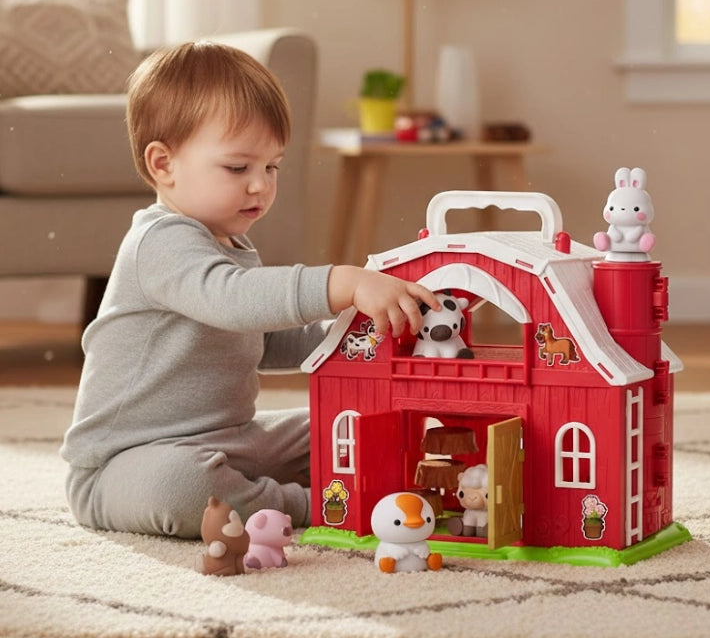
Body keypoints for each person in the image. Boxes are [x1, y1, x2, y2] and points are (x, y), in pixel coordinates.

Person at [60, 42, 439, 539]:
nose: (260, 185)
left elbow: (263, 340)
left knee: (346, 424)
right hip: (126, 464)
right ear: (163, 164)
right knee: (186, 486)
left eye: (272, 166)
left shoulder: (230, 243)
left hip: (229, 438)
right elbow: (234, 300)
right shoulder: (160, 241)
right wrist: (342, 282)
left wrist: (357, 332)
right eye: (238, 168)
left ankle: (337, 480)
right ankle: (312, 504)